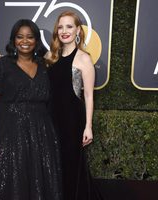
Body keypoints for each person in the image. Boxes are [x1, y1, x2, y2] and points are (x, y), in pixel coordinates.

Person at [0, 19, 63, 200]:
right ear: (13, 40)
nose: (25, 41)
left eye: (30, 37)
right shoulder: (3, 65)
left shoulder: (44, 67)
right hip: (9, 131)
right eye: (20, 37)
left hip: (40, 133)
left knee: (38, 176)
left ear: (36, 40)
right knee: (8, 176)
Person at [45, 11, 104, 200]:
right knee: (53, 165)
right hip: (50, 119)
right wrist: (4, 61)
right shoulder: (50, 56)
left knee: (71, 165)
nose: (64, 31)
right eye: (60, 27)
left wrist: (88, 126)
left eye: (69, 26)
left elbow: (88, 95)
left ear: (78, 30)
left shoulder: (84, 59)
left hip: (72, 121)